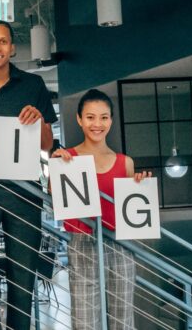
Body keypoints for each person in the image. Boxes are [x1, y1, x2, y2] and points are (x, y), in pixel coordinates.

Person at [0, 20, 57, 330]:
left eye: (3, 42)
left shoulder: (33, 85)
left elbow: (47, 145)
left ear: (12, 48)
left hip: (24, 190)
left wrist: (41, 119)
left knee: (23, 271)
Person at [52, 89, 151, 330]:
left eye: (104, 117)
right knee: (84, 320)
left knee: (122, 318)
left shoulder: (125, 162)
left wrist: (140, 183)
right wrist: (56, 165)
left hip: (120, 243)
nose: (98, 124)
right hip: (83, 242)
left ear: (111, 120)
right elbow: (55, 199)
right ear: (79, 119)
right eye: (91, 117)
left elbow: (133, 210)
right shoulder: (68, 158)